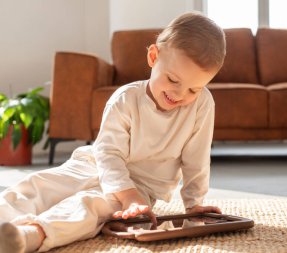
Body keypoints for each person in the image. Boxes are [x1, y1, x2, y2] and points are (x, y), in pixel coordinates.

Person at [0, 11, 226, 253]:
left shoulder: (202, 104)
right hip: (94, 165)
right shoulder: (125, 99)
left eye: (194, 89)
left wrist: (193, 205)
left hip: (142, 190)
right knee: (38, 186)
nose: (180, 94)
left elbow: (197, 160)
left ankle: (29, 236)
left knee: (91, 208)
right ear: (153, 56)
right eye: (172, 79)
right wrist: (125, 192)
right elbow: (108, 152)